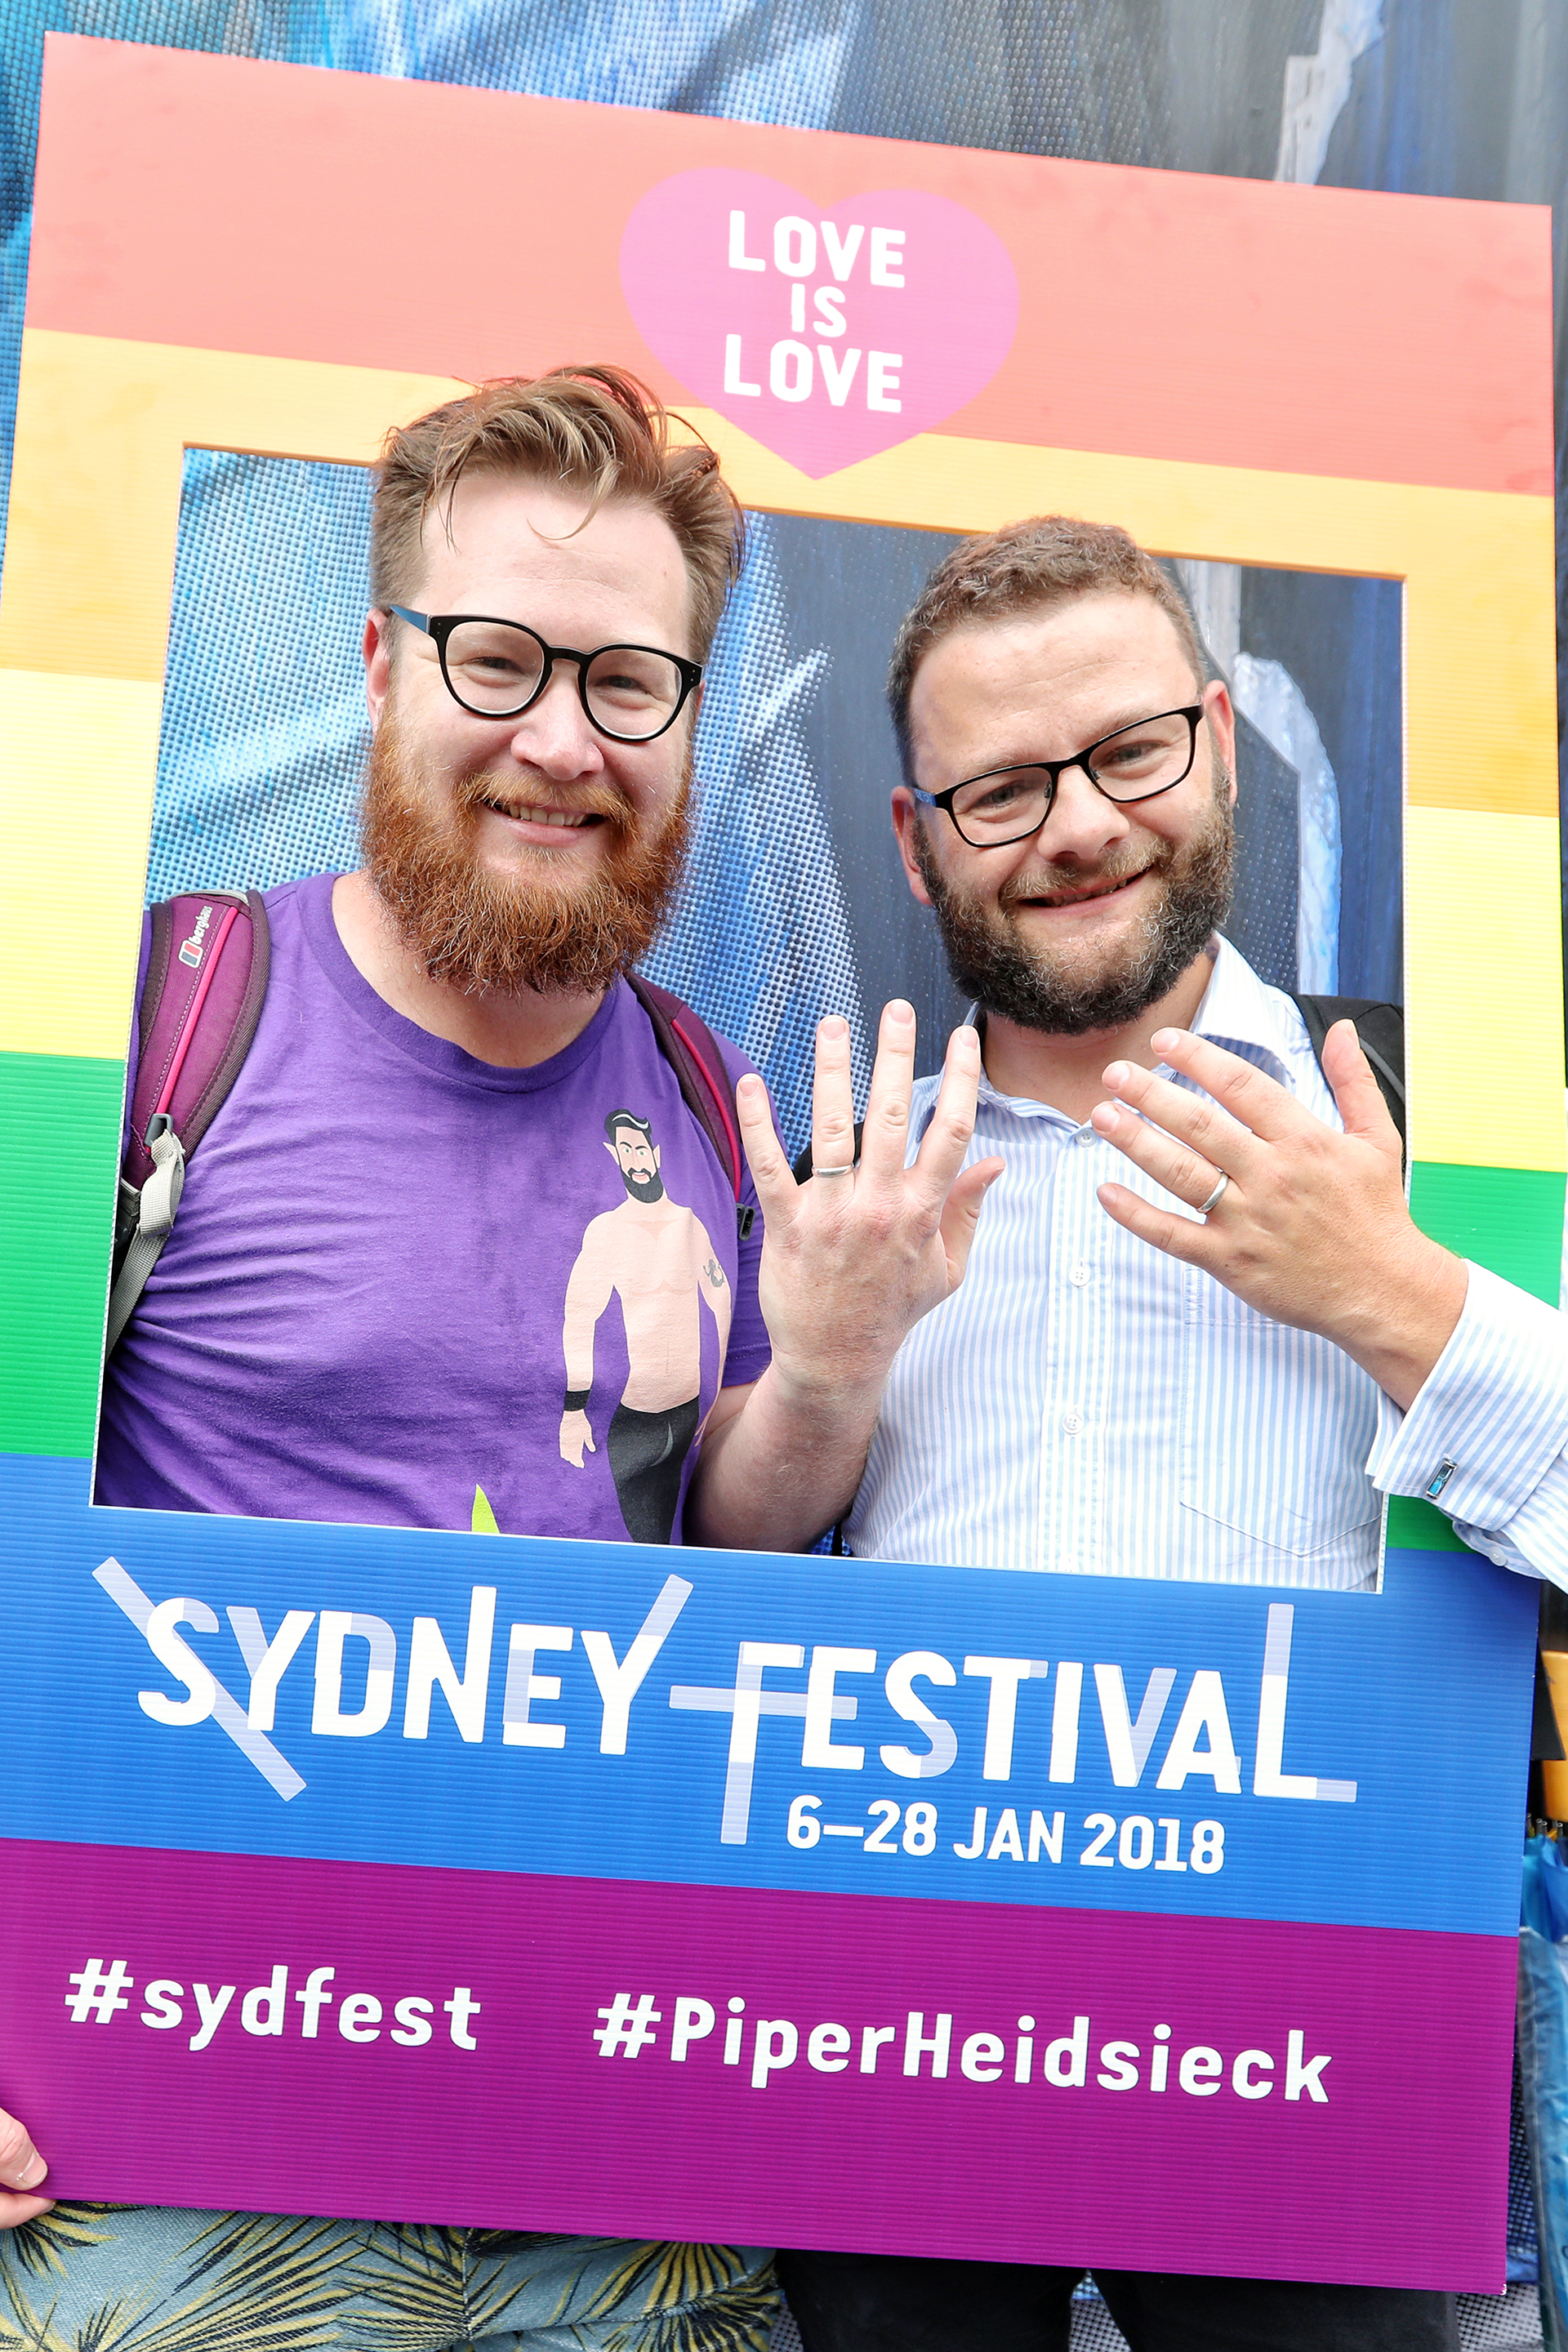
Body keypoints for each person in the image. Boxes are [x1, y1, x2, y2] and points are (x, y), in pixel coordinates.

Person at [0, 368, 998, 2350]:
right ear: (376, 662)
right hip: (177, 2162)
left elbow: (700, 1532)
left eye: (630, 681)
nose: (562, 739)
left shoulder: (710, 1097)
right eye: (496, 658)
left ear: (695, 719)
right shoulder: (144, 1027)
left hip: (618, 2178)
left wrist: (828, 1368)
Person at [768, 515, 1568, 2352]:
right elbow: (701, 1602)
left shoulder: (1456, 1143)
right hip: (899, 2050)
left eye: (1132, 752)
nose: (1079, 826)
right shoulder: (843, 1174)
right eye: (1001, 791)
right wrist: (820, 1368)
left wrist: (1393, 1291)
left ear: (1219, 738)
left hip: (1321, 2052)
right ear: (914, 837)